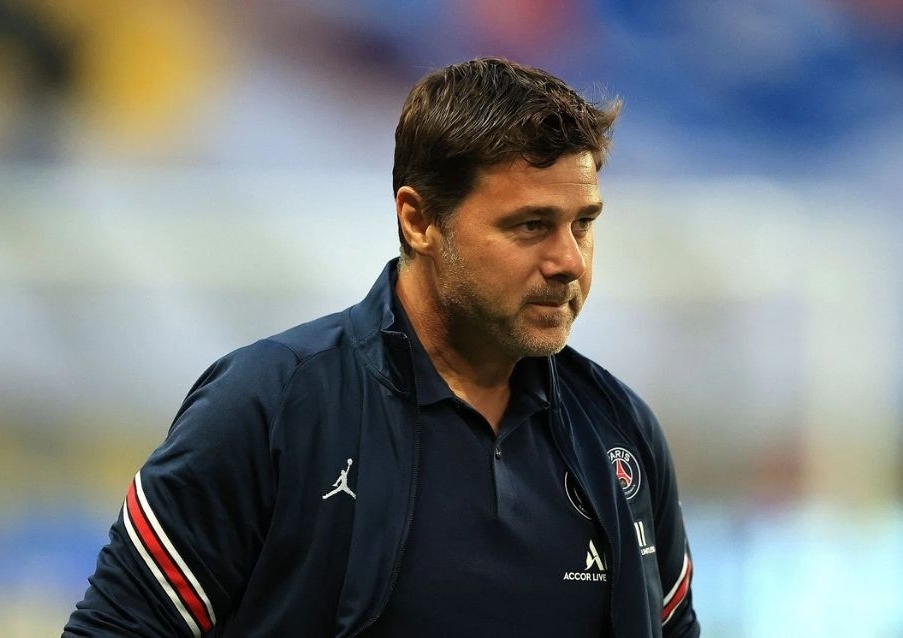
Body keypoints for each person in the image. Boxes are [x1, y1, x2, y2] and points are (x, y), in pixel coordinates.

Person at [64, 57, 699, 638]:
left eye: (583, 224)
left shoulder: (621, 431)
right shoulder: (270, 406)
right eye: (530, 226)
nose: (569, 261)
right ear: (418, 220)